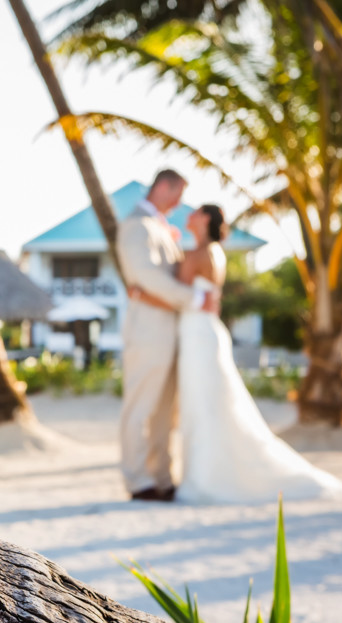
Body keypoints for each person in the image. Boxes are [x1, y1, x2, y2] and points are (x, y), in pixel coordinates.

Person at [129, 204, 342, 504]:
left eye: (195, 212)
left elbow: (177, 297)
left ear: (205, 219)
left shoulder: (197, 254)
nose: (189, 215)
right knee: (211, 406)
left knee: (203, 408)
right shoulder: (215, 252)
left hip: (196, 336)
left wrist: (142, 295)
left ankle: (205, 480)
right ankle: (203, 475)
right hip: (207, 332)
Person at [116, 169, 214, 502]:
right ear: (161, 186)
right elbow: (145, 276)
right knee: (140, 405)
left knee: (165, 411)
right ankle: (138, 479)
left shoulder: (159, 227)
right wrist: (194, 299)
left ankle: (160, 476)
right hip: (148, 331)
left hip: (174, 331)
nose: (180, 203)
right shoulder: (135, 226)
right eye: (177, 193)